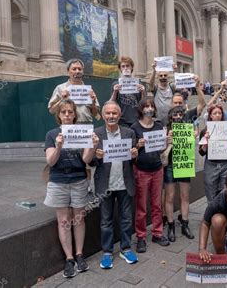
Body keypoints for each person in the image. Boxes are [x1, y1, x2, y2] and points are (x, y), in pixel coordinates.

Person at [83, 101, 139, 269]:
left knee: (127, 219)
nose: (111, 116)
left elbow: (134, 160)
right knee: (105, 221)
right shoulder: (96, 134)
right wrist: (96, 156)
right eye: (108, 113)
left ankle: (126, 248)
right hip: (104, 185)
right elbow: (90, 163)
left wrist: (135, 154)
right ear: (104, 115)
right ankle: (107, 252)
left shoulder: (129, 133)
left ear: (120, 115)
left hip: (125, 183)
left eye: (114, 113)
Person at [44, 99, 92, 278]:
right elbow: (50, 161)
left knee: (79, 218)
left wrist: (92, 146)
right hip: (58, 180)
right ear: (59, 115)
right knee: (64, 220)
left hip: (79, 178)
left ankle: (79, 254)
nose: (67, 115)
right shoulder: (51, 134)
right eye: (63, 112)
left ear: (74, 114)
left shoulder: (82, 132)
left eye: (70, 112)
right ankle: (69, 258)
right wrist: (58, 146)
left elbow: (87, 160)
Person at [130, 98, 170, 252]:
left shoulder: (159, 126)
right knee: (141, 206)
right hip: (141, 170)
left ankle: (157, 233)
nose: (149, 109)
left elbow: (160, 150)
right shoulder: (134, 127)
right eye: (146, 106)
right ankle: (140, 236)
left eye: (151, 106)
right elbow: (131, 151)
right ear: (141, 109)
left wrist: (165, 143)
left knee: (157, 204)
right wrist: (137, 146)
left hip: (157, 169)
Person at [163, 106, 196, 242]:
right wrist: (166, 140)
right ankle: (171, 226)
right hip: (170, 164)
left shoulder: (188, 127)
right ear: (170, 117)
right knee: (170, 197)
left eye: (180, 114)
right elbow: (159, 149)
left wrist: (193, 137)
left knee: (185, 195)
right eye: (175, 115)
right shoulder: (165, 129)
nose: (178, 117)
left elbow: (192, 147)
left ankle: (185, 223)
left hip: (184, 164)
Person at [199, 104, 227, 202]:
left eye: (219, 113)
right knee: (210, 190)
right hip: (211, 164)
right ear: (210, 115)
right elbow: (202, 152)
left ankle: (226, 213)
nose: (217, 115)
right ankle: (212, 212)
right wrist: (205, 142)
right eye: (215, 113)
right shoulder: (204, 130)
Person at [48, 59, 100, 123]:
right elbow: (51, 110)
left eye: (79, 69)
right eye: (74, 69)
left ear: (83, 72)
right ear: (68, 71)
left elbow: (96, 114)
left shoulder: (89, 90)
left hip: (85, 128)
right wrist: (62, 99)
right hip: (68, 127)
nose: (77, 71)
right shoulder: (60, 88)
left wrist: (93, 102)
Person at [110, 56, 146, 127]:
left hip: (136, 119)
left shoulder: (139, 83)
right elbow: (111, 103)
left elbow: (144, 104)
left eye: (127, 66)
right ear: (120, 68)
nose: (125, 68)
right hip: (121, 120)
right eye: (123, 66)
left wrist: (143, 92)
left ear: (132, 67)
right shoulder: (115, 84)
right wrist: (115, 92)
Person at [148, 61, 177, 126]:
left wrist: (174, 71)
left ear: (168, 77)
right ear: (158, 77)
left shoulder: (171, 86)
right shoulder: (155, 88)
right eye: (161, 75)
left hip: (171, 119)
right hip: (158, 120)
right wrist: (154, 71)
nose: (163, 77)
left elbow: (178, 83)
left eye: (165, 75)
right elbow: (150, 84)